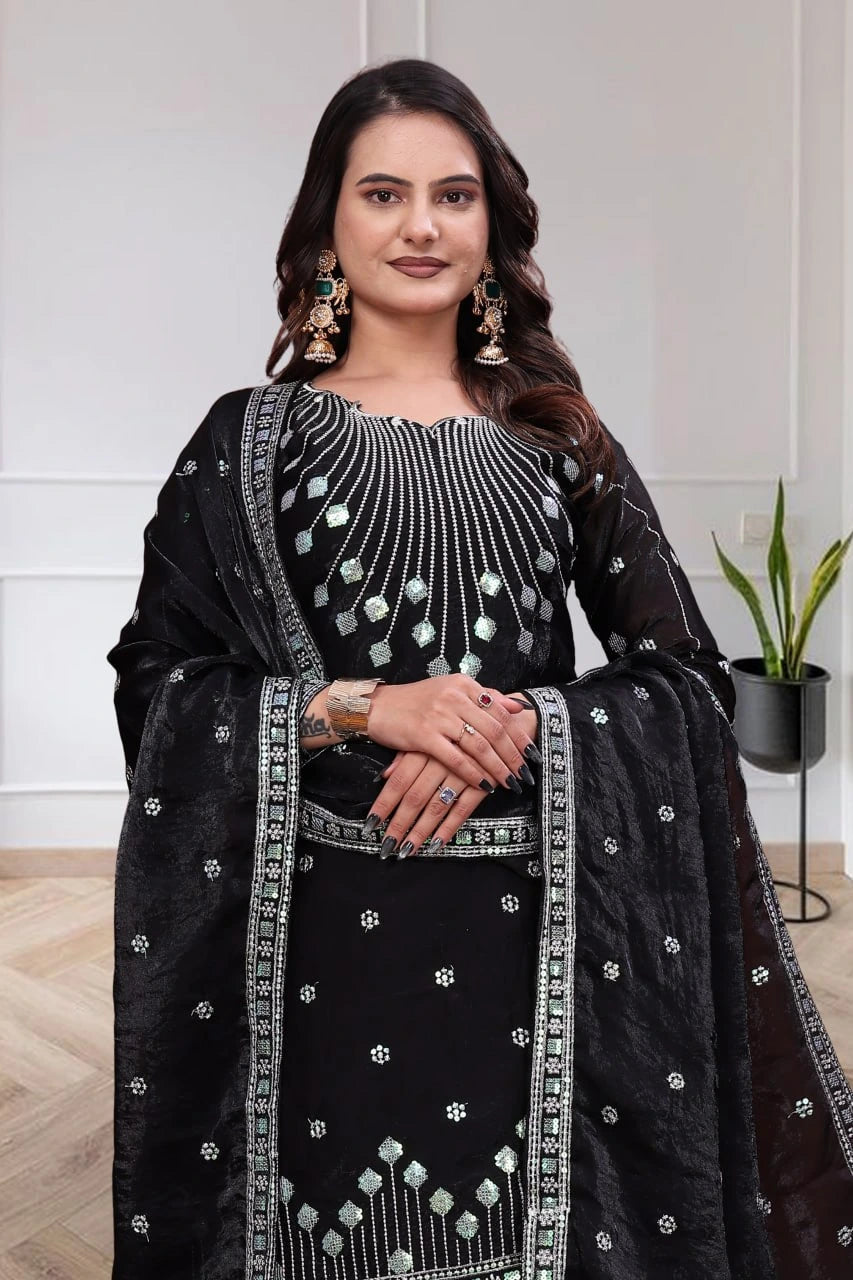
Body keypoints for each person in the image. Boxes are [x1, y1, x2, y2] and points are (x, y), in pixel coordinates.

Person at [106, 58, 853, 1280]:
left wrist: (526, 727)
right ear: (327, 226)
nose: (421, 226)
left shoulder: (557, 432)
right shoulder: (246, 438)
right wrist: (370, 707)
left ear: (492, 226)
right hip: (323, 940)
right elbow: (157, 684)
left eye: (453, 196)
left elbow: (685, 675)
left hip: (538, 933)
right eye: (383, 193)